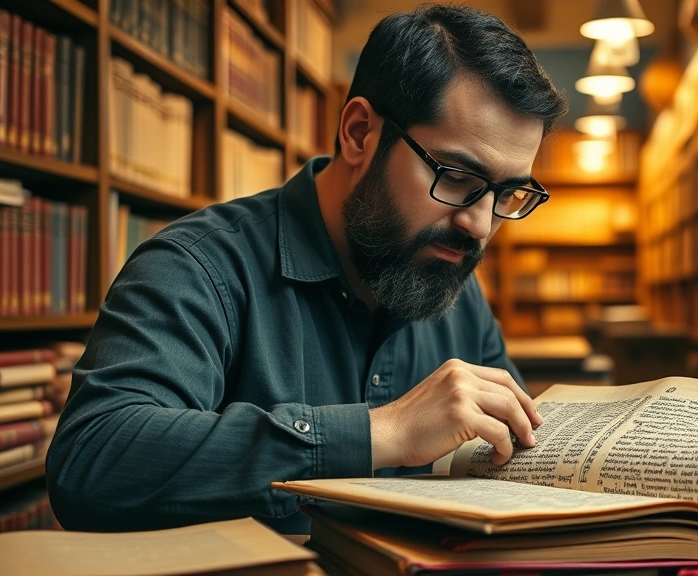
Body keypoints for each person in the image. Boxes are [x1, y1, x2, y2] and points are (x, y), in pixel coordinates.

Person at [46, 4, 568, 534]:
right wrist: (378, 433)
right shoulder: (198, 265)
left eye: (510, 193)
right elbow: (93, 459)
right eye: (457, 177)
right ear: (360, 133)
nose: (480, 225)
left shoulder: (454, 282)